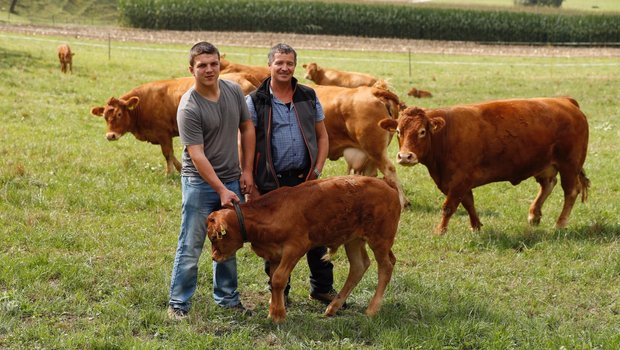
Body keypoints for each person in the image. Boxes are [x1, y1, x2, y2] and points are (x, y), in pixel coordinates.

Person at [246, 43, 340, 307]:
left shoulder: (308, 96)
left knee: (316, 234)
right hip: (271, 180)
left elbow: (322, 135)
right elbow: (247, 142)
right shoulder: (255, 100)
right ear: (270, 65)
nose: (284, 68)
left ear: (294, 66)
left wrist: (317, 169)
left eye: (289, 63)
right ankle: (280, 292)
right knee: (274, 236)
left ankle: (322, 288)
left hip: (305, 178)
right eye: (279, 63)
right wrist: (250, 177)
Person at [167, 41, 255, 320]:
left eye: (213, 64)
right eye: (202, 65)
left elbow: (247, 127)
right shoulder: (188, 106)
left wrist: (247, 170)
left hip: (230, 177)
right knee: (191, 244)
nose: (209, 70)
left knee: (227, 239)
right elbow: (196, 155)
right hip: (199, 184)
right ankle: (178, 304)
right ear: (191, 69)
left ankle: (228, 300)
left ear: (220, 64)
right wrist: (220, 189)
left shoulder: (233, 91)